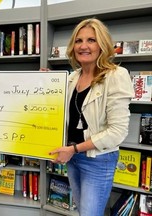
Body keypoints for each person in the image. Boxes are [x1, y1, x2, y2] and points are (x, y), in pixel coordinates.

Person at [49, 18, 135, 215]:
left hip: (98, 160)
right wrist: (44, 83)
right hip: (74, 157)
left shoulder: (116, 76)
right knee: (83, 211)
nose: (83, 46)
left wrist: (74, 148)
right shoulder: (72, 77)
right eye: (78, 41)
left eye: (91, 40)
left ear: (102, 45)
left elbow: (117, 132)